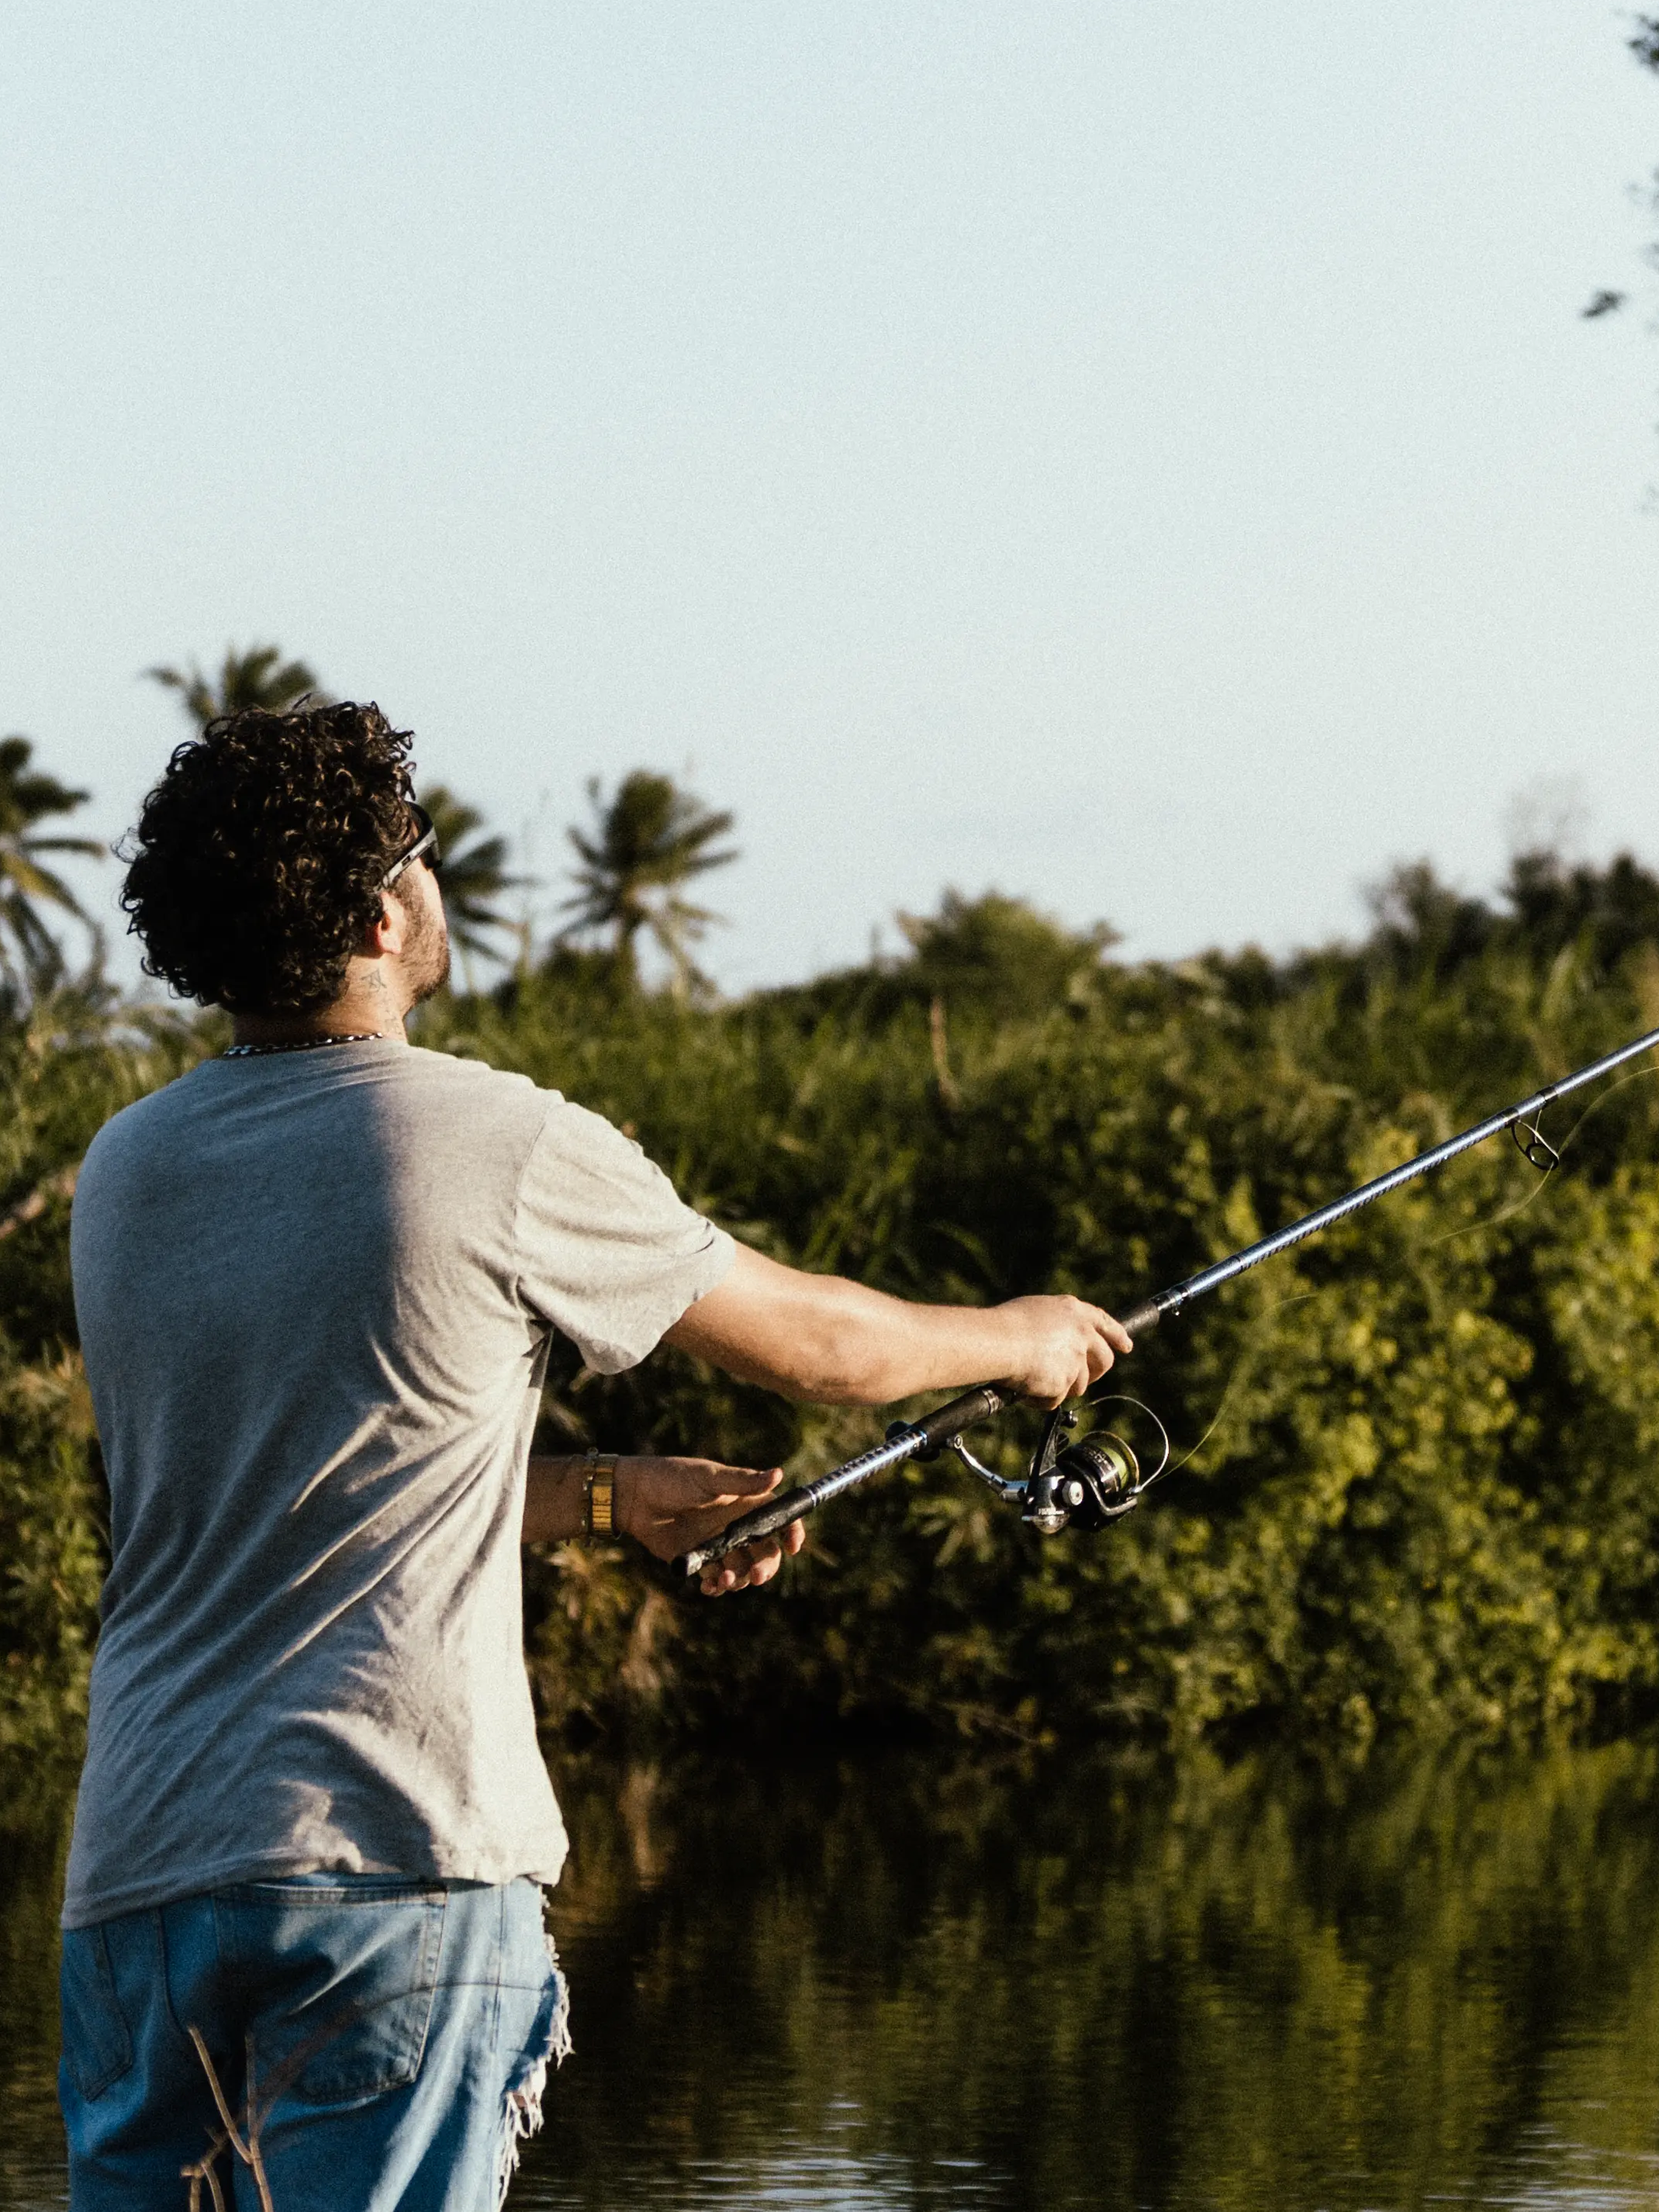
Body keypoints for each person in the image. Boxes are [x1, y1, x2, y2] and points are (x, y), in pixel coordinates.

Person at [57, 700, 1128, 2210]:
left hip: (140, 1874)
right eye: (424, 856)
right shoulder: (493, 1138)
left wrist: (612, 1495)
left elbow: (298, 1496)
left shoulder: (126, 1170)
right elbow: (827, 1348)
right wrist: (1017, 1336)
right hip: (392, 1855)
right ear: (382, 910)